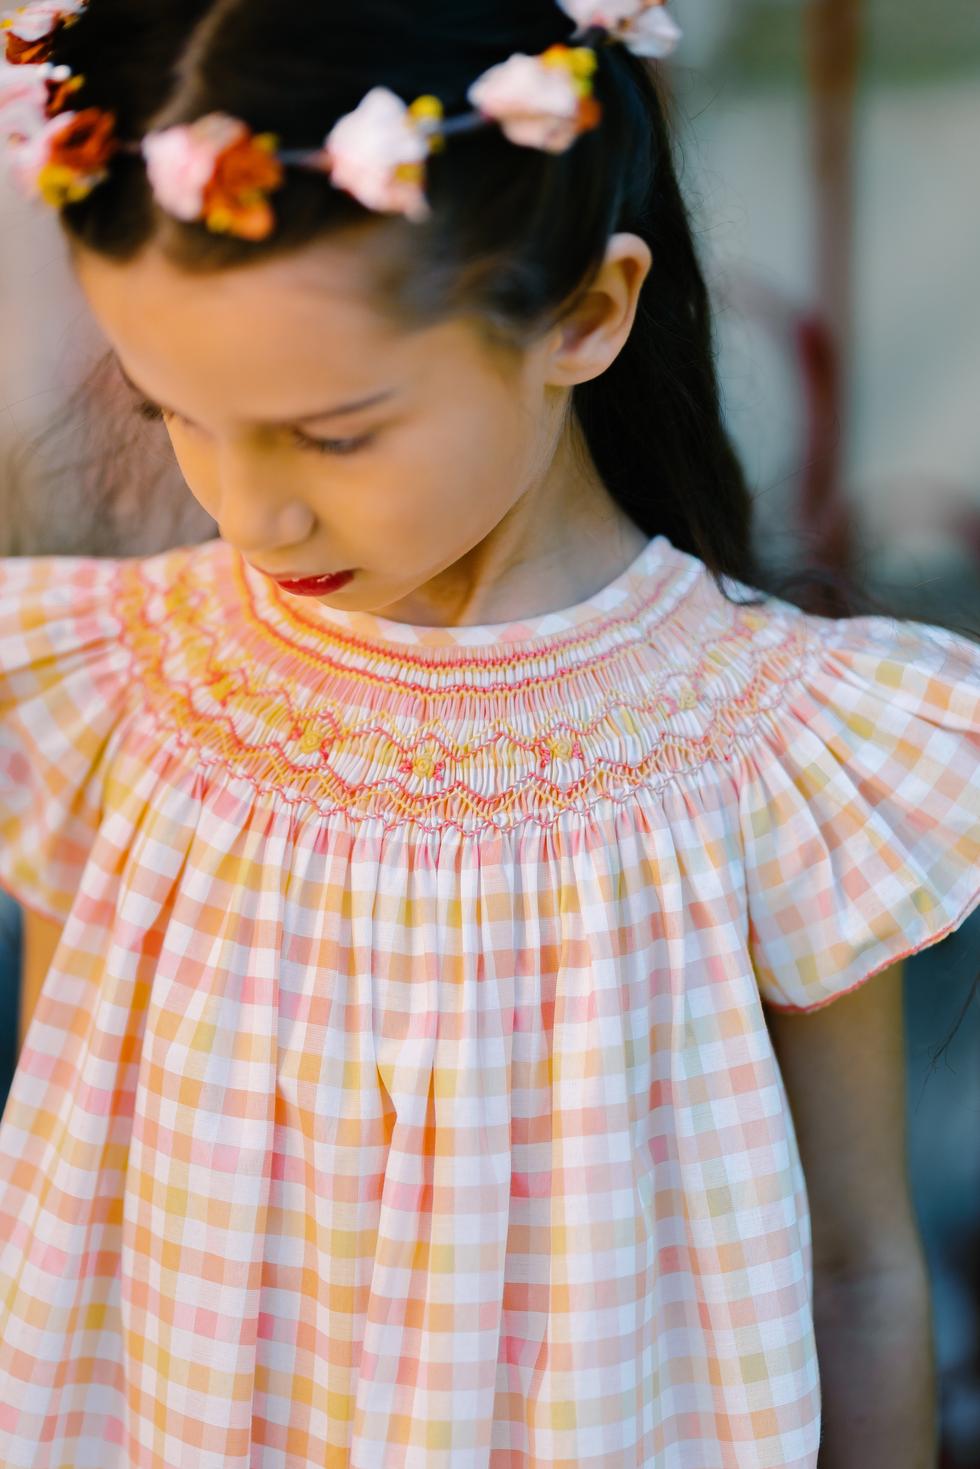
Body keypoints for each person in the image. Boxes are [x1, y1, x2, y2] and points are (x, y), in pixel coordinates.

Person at [0, 2, 977, 1466]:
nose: (251, 512)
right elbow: (56, 1211)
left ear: (584, 314)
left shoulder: (770, 749)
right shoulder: (118, 696)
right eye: (174, 413)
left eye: (334, 434)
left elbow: (858, 1273)